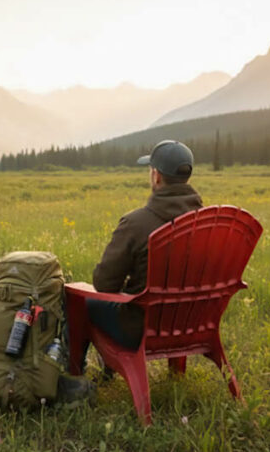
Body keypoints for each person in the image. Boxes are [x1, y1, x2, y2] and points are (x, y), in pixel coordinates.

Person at [85, 140, 202, 352]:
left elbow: (104, 283)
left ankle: (74, 375)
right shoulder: (207, 222)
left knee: (79, 301)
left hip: (141, 329)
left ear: (156, 176)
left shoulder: (136, 223)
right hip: (193, 323)